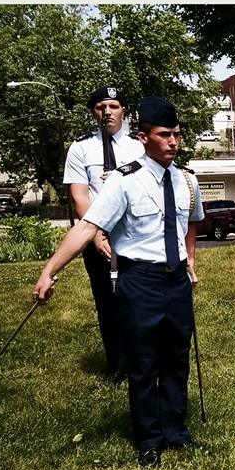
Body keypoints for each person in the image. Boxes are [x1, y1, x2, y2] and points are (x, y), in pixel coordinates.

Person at [33, 96, 204, 467]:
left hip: (175, 281)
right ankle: (149, 438)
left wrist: (189, 263)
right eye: (164, 135)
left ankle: (175, 431)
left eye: (176, 134)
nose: (173, 142)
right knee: (143, 363)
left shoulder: (186, 181)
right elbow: (88, 227)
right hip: (139, 281)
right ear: (144, 138)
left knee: (176, 359)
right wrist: (50, 270)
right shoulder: (125, 182)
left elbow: (187, 228)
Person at [64, 86, 146, 384]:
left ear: (124, 110)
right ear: (93, 113)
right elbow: (79, 195)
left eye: (113, 105)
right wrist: (97, 234)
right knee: (107, 302)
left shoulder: (140, 148)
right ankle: (118, 364)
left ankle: (143, 360)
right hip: (96, 234)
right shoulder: (81, 149)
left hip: (133, 234)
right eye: (101, 107)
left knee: (137, 299)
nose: (107, 112)